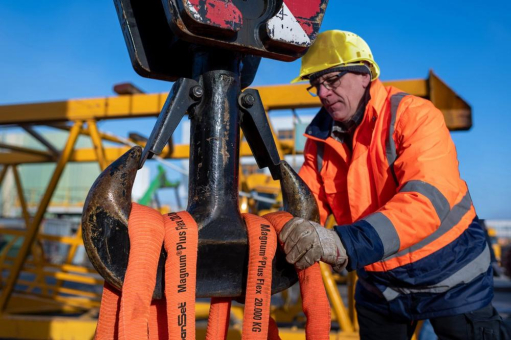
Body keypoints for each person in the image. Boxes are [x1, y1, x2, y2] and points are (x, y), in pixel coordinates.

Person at [279, 30, 509, 339]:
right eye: (315, 85)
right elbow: (307, 210)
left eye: (331, 80)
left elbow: (426, 200)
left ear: (365, 74)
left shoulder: (413, 115)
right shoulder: (318, 143)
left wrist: (342, 243)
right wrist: (271, 237)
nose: (322, 92)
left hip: (452, 278)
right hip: (381, 287)